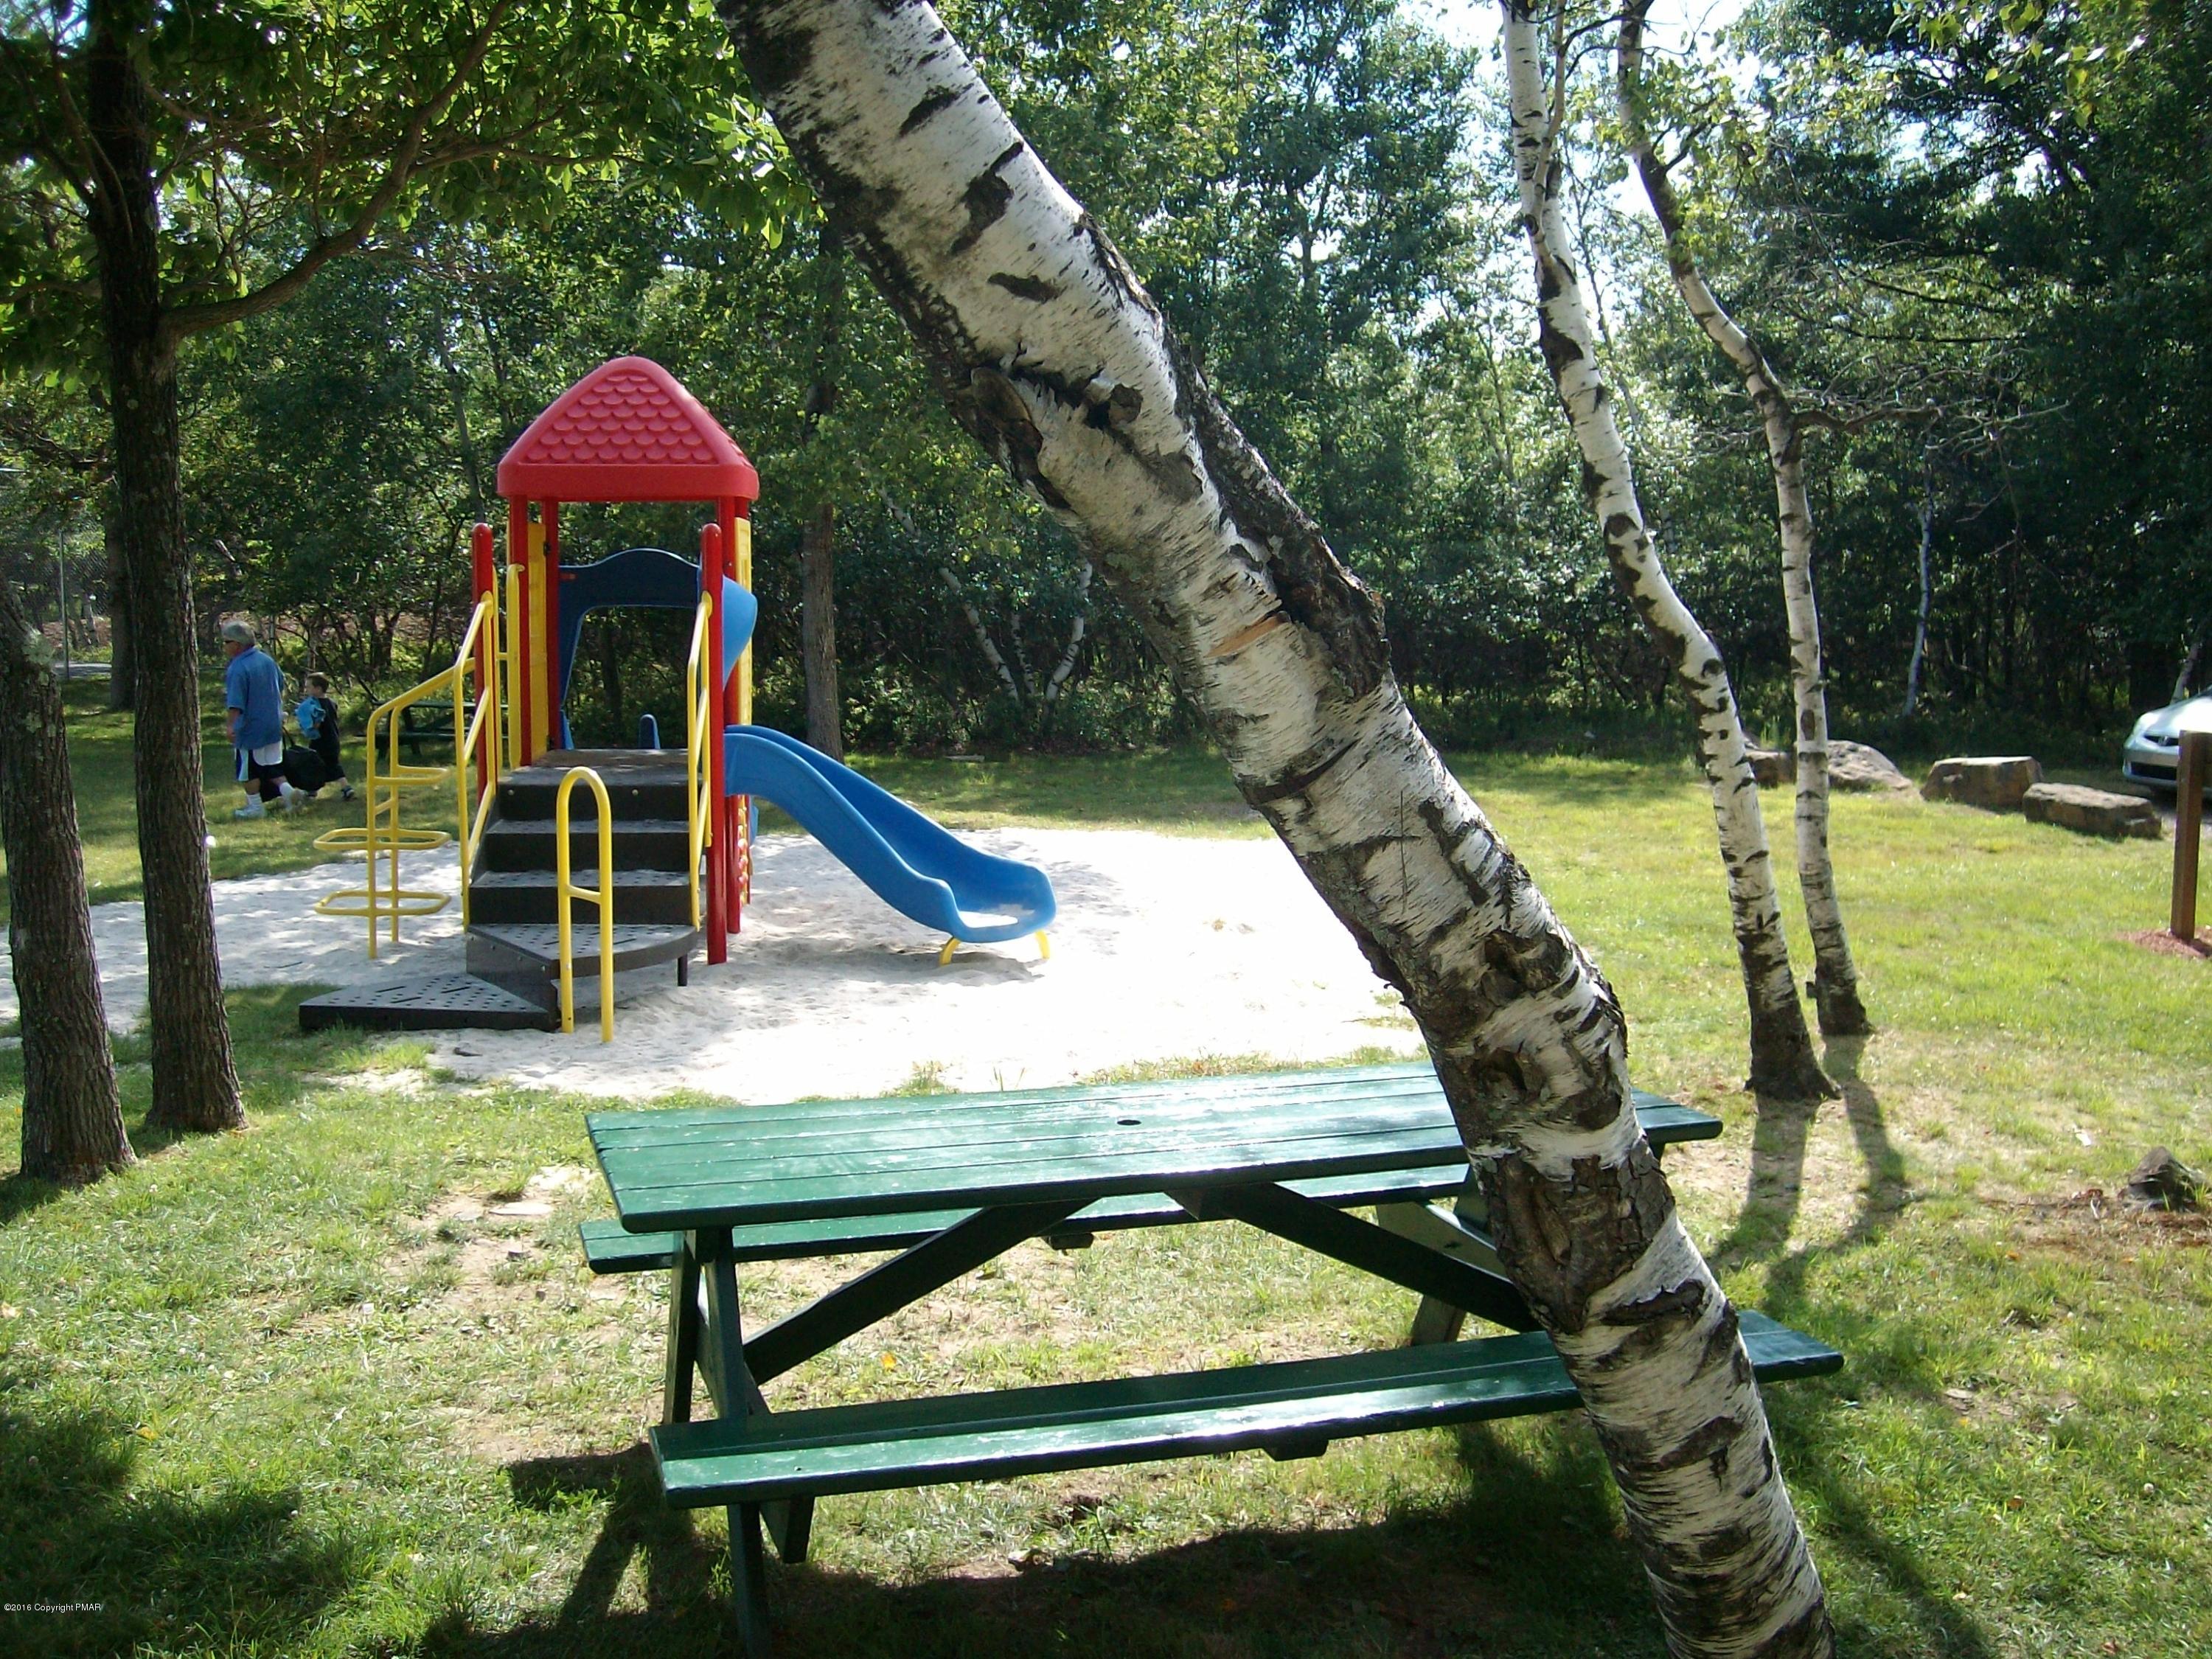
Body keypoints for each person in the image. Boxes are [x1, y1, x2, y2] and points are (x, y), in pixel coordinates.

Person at [220, 619, 296, 819]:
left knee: (247, 769)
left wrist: (230, 726)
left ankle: (255, 807)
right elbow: (281, 685)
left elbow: (236, 703)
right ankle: (289, 793)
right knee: (272, 765)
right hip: (273, 723)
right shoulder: (267, 660)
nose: (224, 646)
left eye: (226, 642)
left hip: (250, 727)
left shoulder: (238, 668)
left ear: (236, 644)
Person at [295, 672, 355, 801]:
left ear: (318, 689)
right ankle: (344, 788)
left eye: (309, 687)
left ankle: (314, 791)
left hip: (322, 741)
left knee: (315, 764)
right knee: (331, 765)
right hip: (334, 739)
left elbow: (317, 724)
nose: (306, 690)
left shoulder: (316, 706)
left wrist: (309, 727)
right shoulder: (331, 703)